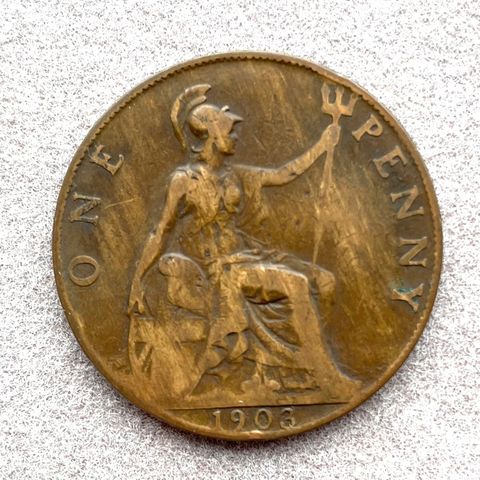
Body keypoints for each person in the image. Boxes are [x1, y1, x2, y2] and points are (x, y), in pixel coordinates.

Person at [127, 84, 357, 404]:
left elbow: (284, 174)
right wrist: (138, 280)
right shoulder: (184, 181)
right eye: (229, 130)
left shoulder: (237, 174)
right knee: (297, 285)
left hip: (246, 255)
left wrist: (322, 145)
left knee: (326, 281)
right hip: (217, 268)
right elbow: (160, 231)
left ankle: (293, 370)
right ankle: (327, 377)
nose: (235, 137)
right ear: (211, 134)